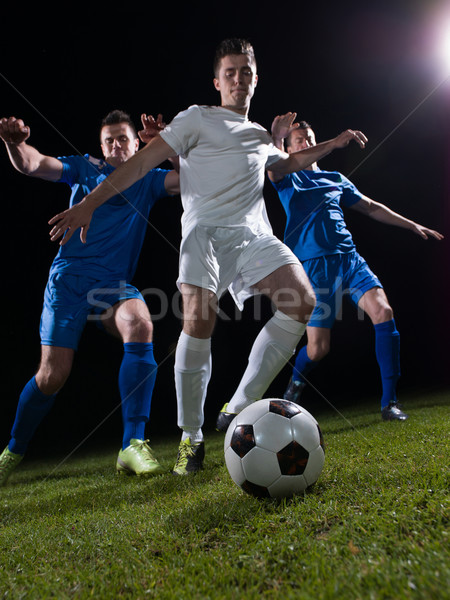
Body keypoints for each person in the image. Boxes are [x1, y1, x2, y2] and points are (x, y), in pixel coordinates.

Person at [46, 39, 368, 474]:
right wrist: (90, 203)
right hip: (203, 236)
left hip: (253, 236)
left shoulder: (257, 135)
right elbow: (141, 165)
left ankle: (238, 403)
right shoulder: (196, 118)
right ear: (217, 81)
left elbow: (288, 163)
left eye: (246, 72)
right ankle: (190, 437)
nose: (239, 79)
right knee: (199, 320)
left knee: (303, 301)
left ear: (256, 80)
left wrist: (334, 142)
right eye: (230, 73)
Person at [0, 110, 180, 486]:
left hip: (112, 285)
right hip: (68, 282)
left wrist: (169, 149)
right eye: (109, 139)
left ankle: (132, 444)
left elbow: (196, 180)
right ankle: (14, 448)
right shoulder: (83, 169)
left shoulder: (147, 178)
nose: (116, 144)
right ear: (100, 147)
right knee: (52, 376)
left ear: (136, 144)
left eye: (123, 138)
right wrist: (14, 143)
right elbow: (34, 164)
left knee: (141, 323)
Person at [268, 116, 444, 420]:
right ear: (292, 148)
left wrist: (411, 223)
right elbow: (275, 165)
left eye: (310, 138)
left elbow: (371, 207)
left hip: (349, 260)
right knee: (318, 349)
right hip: (314, 269)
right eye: (300, 141)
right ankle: (295, 383)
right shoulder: (289, 178)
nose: (307, 144)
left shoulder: (335, 178)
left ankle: (389, 403)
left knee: (383, 312)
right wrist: (278, 139)